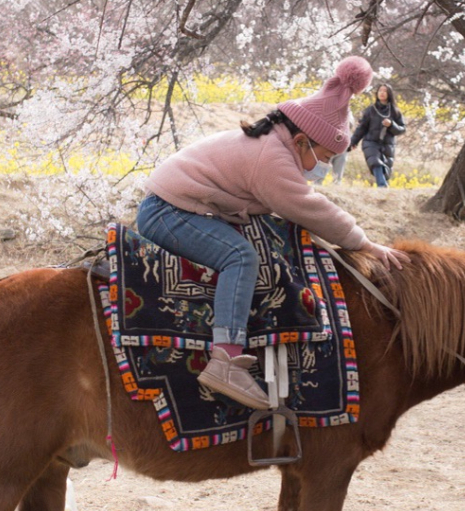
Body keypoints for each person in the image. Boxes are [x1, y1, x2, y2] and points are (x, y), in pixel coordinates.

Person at [136, 55, 410, 410]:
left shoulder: (273, 143)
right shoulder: (273, 158)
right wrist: (364, 242)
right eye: (325, 156)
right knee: (239, 256)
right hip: (168, 211)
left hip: (182, 205)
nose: (324, 166)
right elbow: (309, 207)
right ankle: (226, 359)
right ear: (301, 141)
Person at [349, 84, 405, 187]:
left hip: (388, 144)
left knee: (386, 168)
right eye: (380, 91)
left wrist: (391, 124)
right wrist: (353, 142)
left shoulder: (395, 111)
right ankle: (382, 186)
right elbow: (362, 127)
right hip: (370, 142)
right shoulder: (370, 110)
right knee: (375, 162)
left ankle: (383, 190)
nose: (382, 93)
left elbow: (402, 129)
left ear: (389, 94)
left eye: (385, 91)